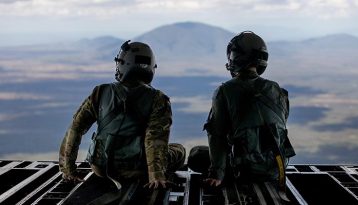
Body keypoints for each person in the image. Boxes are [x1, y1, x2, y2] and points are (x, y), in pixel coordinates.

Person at [59, 40, 186, 191]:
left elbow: (75, 129)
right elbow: (155, 139)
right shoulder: (158, 99)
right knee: (179, 150)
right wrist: (156, 176)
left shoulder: (99, 92)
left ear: (122, 63)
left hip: (100, 167)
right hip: (137, 169)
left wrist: (68, 170)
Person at [203, 31, 295, 189]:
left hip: (244, 171)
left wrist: (217, 174)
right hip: (277, 169)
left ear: (236, 57)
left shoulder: (224, 91)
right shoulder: (278, 90)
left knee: (197, 155)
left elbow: (217, 136)